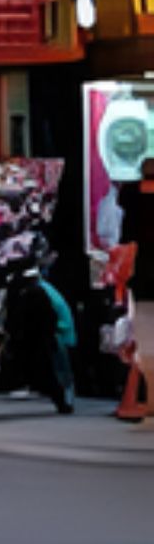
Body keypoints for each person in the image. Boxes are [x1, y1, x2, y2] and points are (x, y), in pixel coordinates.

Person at [114, 156, 154, 425]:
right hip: (144, 278)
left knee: (146, 343)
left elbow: (126, 247)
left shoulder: (131, 201)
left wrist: (120, 283)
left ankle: (149, 399)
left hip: (143, 281)